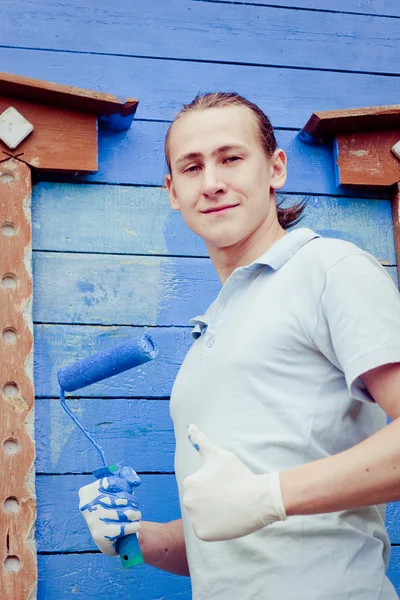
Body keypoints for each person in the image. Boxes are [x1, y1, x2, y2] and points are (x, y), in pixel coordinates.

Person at [79, 92, 400, 599]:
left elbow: (259, 501)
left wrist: (267, 495)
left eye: (231, 158)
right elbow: (228, 530)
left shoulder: (329, 270)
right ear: (172, 191)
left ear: (275, 168)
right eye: (191, 167)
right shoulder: (210, 331)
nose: (212, 183)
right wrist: (133, 542)